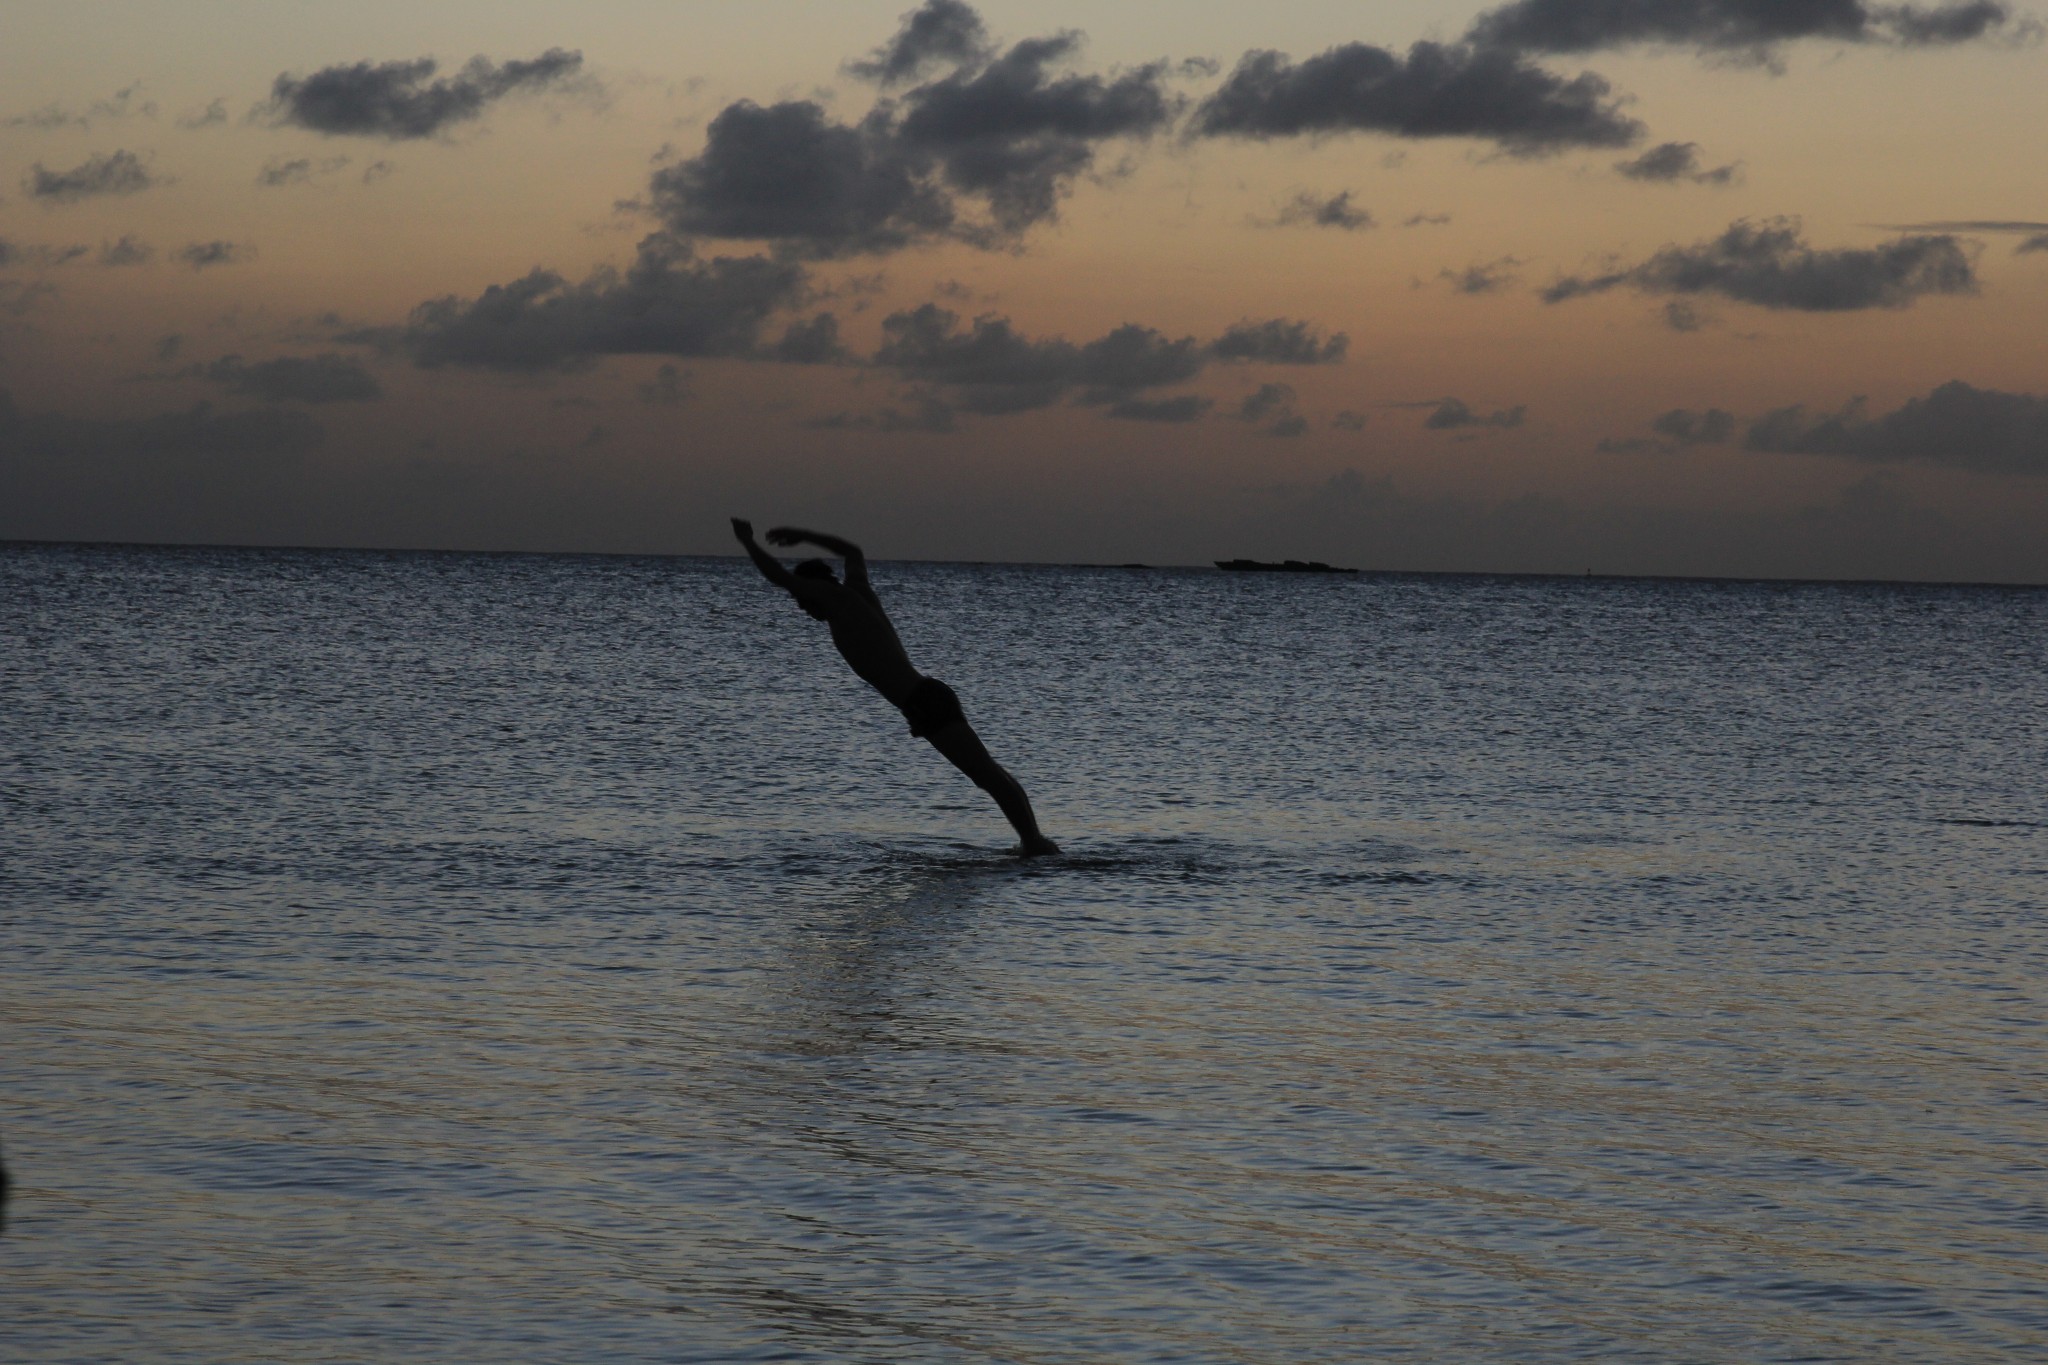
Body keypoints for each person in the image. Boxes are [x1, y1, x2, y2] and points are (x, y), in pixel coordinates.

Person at [731, 519, 1059, 856]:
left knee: (986, 774)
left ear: (814, 587)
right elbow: (852, 552)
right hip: (927, 697)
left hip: (923, 701)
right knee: (988, 772)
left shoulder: (836, 598)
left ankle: (1034, 843)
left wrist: (747, 541)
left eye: (801, 598)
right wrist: (804, 536)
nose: (802, 607)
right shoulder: (856, 592)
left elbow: (778, 577)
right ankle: (1032, 840)